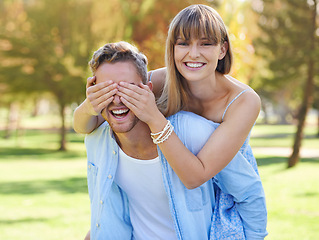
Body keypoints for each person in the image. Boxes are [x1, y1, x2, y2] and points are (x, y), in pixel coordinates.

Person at [74, 4, 267, 239]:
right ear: (172, 48)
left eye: (205, 43)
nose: (193, 53)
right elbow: (85, 126)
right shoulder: (159, 81)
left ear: (222, 49)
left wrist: (154, 118)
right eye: (183, 43)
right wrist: (90, 104)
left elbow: (196, 177)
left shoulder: (243, 101)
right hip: (174, 190)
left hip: (218, 192)